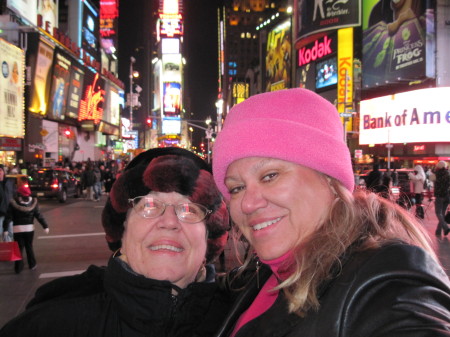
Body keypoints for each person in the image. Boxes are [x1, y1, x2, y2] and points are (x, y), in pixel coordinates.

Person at [211, 88, 450, 337]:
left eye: (270, 176)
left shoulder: (386, 277)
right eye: (236, 188)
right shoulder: (259, 276)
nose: (247, 204)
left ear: (329, 179)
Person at [0, 147, 231, 336]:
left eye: (189, 209)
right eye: (149, 206)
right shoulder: (49, 326)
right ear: (122, 230)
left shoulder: (244, 323)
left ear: (210, 237)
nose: (169, 222)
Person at [3, 185, 49, 274]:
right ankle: (32, 264)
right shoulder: (33, 203)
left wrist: (5, 229)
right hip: (29, 229)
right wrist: (45, 226)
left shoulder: (13, 203)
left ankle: (18, 268)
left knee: (19, 248)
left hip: (17, 229)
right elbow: (39, 215)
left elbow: (8, 217)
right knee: (29, 247)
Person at [429, 161, 450, 236]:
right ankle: (438, 231)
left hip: (439, 196)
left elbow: (430, 179)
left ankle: (445, 227)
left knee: (438, 213)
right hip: (447, 195)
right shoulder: (448, 173)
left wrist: (434, 171)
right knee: (442, 214)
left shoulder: (435, 174)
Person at [0, 165, 15, 242]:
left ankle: (7, 253)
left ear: (3, 172)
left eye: (0, 170)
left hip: (9, 214)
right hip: (0, 215)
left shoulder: (9, 182)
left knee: (9, 235)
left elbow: (14, 196)